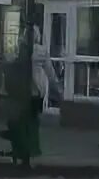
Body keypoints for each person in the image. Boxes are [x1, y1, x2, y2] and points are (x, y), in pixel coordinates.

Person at [5, 23, 60, 170]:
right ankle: (32, 151)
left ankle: (21, 151)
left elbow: (9, 63)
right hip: (37, 91)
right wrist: (56, 88)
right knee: (33, 120)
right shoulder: (41, 51)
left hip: (21, 91)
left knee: (19, 120)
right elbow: (50, 72)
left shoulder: (19, 50)